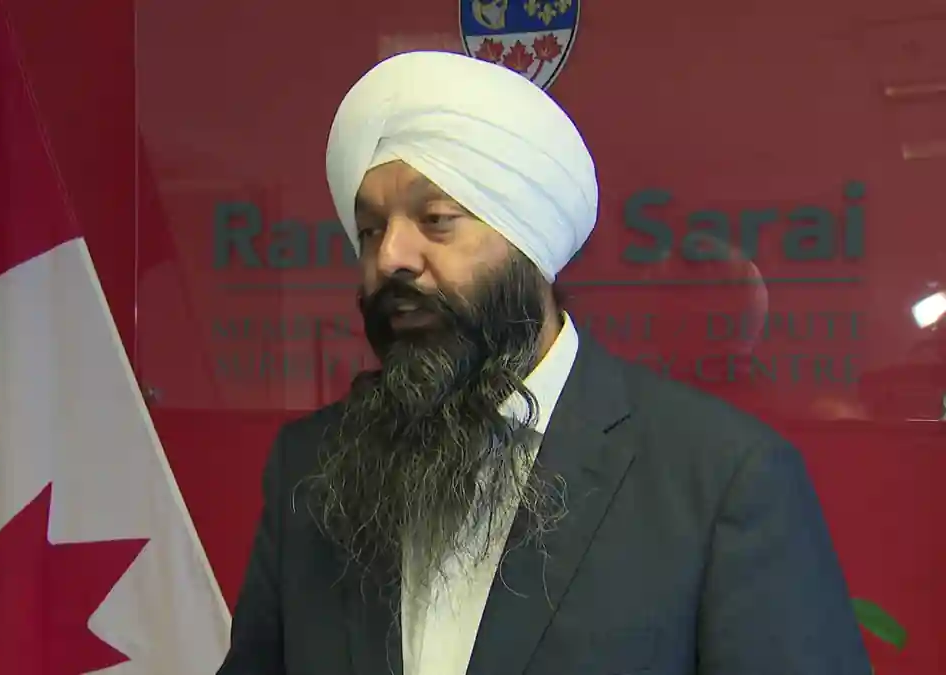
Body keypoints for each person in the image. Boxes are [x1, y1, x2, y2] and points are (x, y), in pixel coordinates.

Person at [216, 51, 870, 675]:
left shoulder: (722, 477)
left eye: (437, 218)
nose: (391, 257)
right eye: (370, 230)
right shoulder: (310, 465)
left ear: (529, 240)